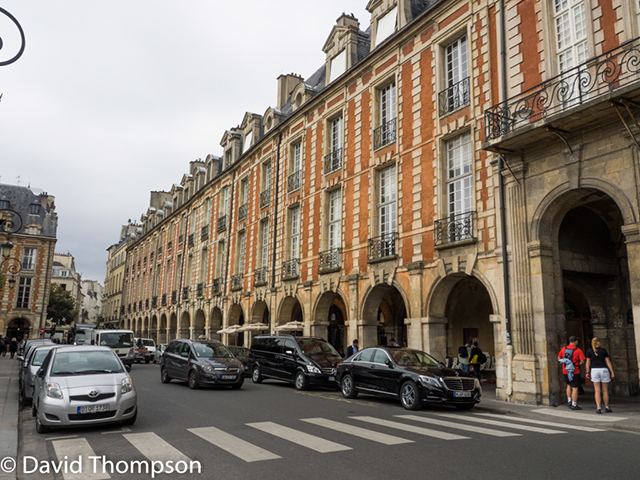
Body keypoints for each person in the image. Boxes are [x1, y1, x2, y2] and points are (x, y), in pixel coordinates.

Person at [586, 337, 615, 414]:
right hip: (603, 369)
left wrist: (587, 372)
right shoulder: (603, 351)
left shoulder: (589, 351)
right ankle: (606, 407)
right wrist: (612, 371)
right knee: (605, 390)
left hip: (594, 370)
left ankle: (598, 407)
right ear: (598, 342)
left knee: (597, 390)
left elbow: (588, 362)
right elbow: (608, 362)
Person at [558, 336, 586, 410]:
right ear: (575, 341)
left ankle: (569, 400)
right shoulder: (578, 350)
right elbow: (582, 361)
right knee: (575, 387)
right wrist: (578, 363)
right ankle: (574, 404)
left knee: (568, 385)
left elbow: (559, 358)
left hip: (565, 370)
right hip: (575, 371)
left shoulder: (564, 349)